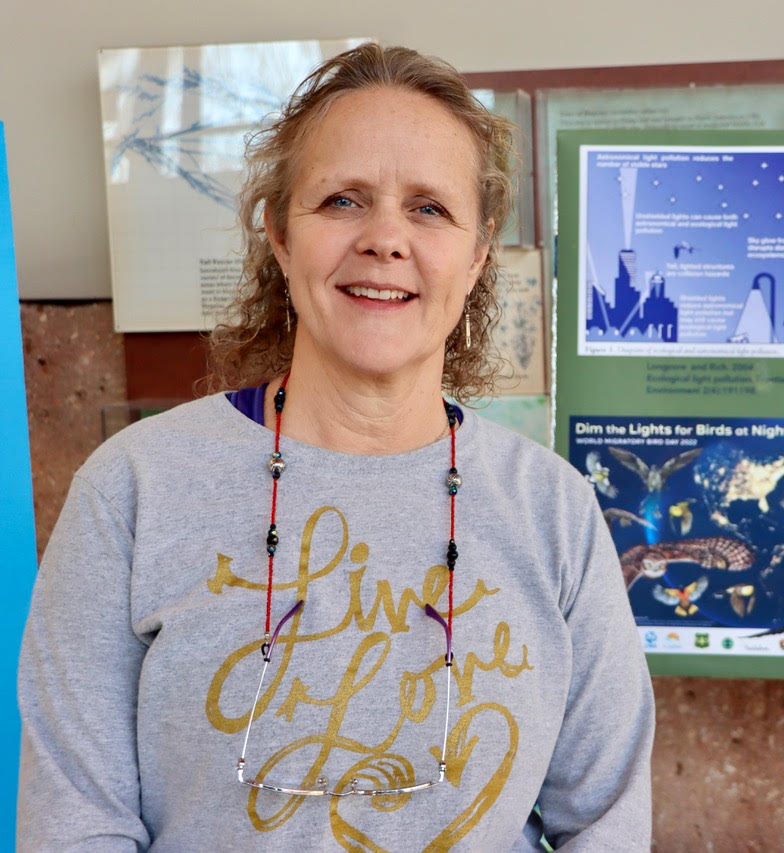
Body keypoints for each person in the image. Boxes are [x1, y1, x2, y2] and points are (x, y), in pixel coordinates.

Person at [18, 43, 654, 850]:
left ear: (477, 255)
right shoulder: (133, 488)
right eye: (343, 200)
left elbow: (604, 821)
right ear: (281, 235)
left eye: (429, 208)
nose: (386, 238)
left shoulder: (554, 510)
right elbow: (75, 820)